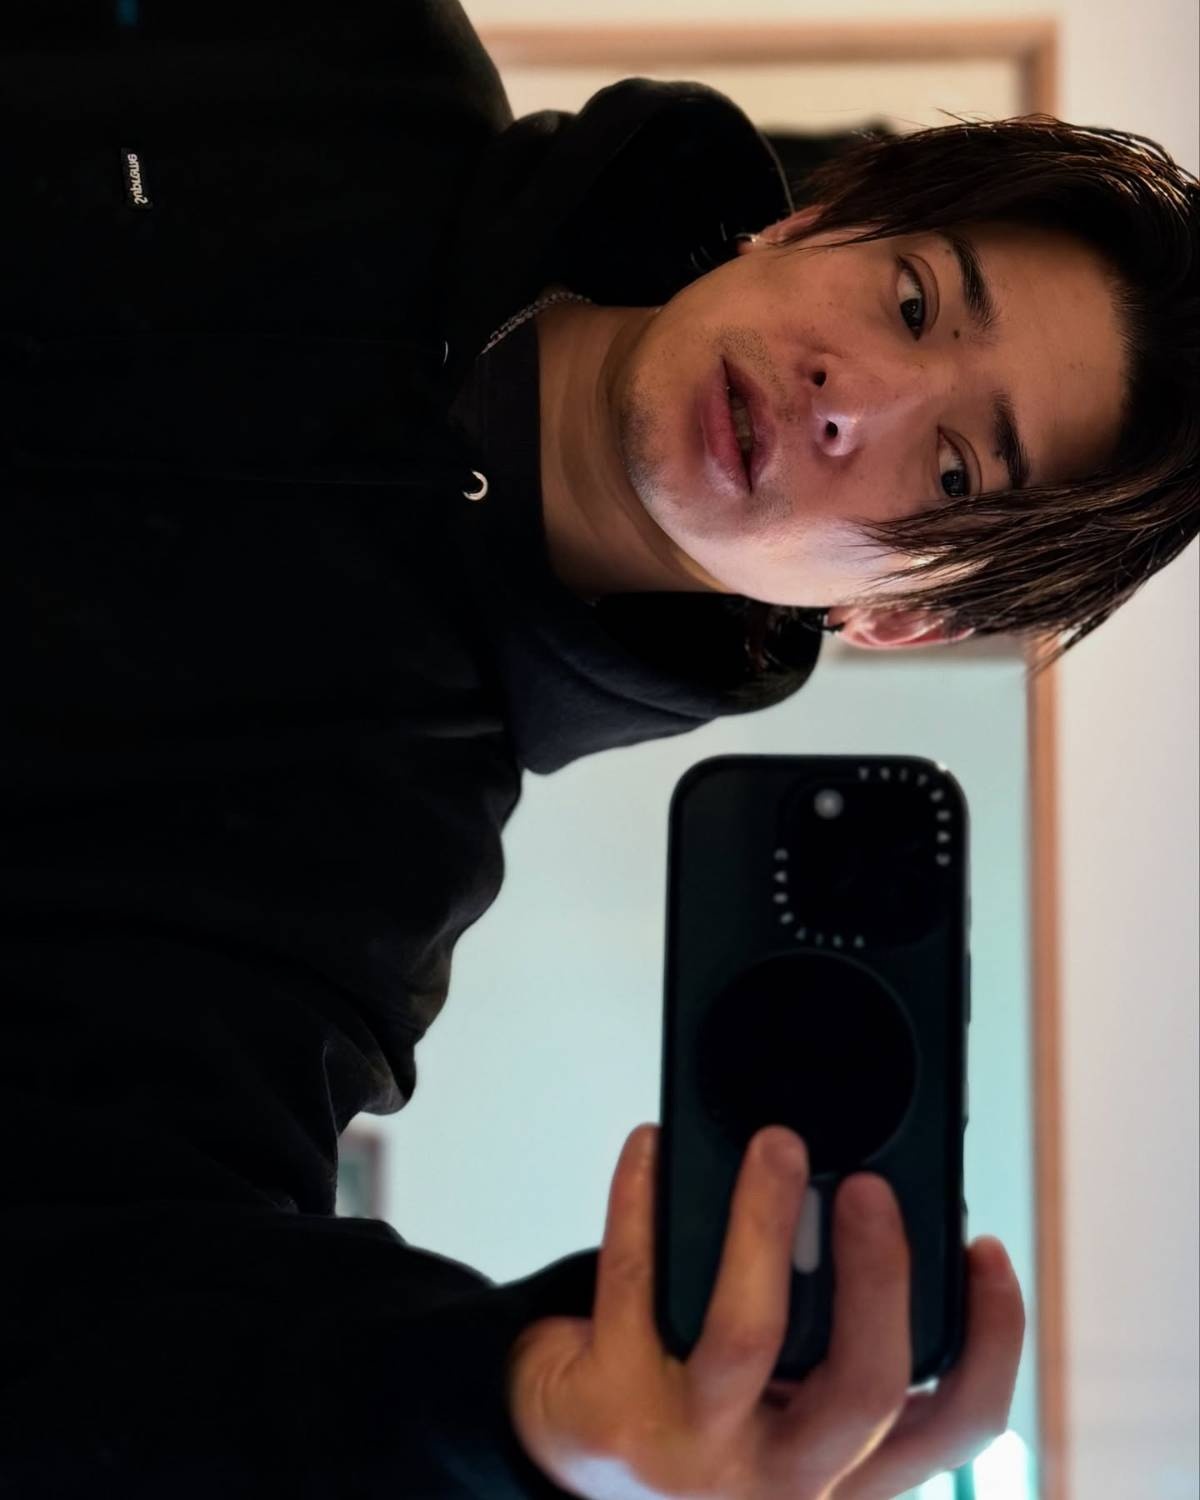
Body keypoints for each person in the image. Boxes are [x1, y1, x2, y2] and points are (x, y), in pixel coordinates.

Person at [0, 2, 1194, 1496]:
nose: (856, 405)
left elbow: (92, 1319)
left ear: (903, 619)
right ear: (819, 220)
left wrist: (527, 1413)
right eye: (911, 303)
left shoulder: (347, 881)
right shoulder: (346, 53)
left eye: (951, 473)